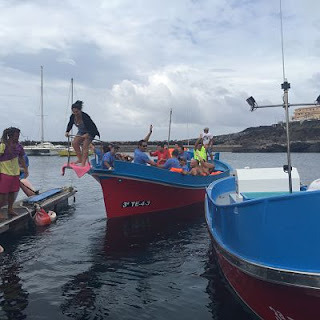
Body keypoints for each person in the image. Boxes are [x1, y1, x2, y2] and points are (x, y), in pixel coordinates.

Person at [0, 127, 28, 217]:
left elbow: (21, 158)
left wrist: (25, 169)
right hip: (5, 172)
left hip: (15, 173)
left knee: (12, 192)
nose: (18, 137)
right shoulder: (3, 145)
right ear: (10, 135)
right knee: (3, 193)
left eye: (18, 135)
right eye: (16, 135)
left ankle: (10, 209)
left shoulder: (19, 146)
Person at [65, 100, 100, 166]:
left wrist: (87, 134)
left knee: (85, 146)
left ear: (80, 110)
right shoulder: (72, 116)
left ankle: (83, 163)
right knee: (74, 143)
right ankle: (80, 159)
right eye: (74, 112)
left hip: (91, 132)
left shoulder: (85, 117)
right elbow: (70, 124)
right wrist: (67, 131)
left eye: (77, 112)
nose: (75, 113)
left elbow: (93, 128)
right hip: (81, 131)